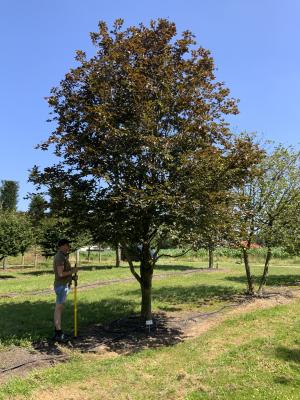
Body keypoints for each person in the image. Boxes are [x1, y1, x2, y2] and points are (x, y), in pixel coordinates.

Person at [53, 239, 77, 341]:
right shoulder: (60, 257)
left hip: (64, 284)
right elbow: (60, 274)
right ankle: (59, 333)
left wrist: (71, 277)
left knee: (60, 308)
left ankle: (58, 331)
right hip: (62, 286)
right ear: (61, 246)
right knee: (59, 308)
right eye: (67, 245)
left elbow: (64, 274)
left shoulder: (63, 256)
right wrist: (73, 271)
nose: (68, 247)